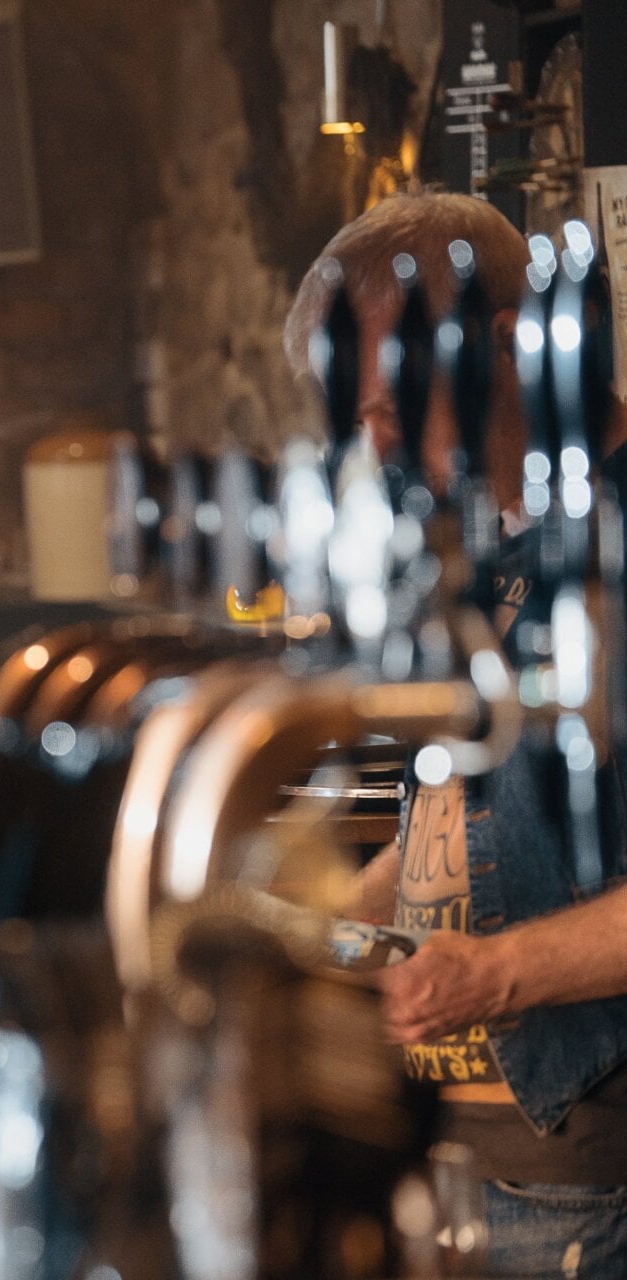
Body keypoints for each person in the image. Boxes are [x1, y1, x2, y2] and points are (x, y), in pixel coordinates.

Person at [286, 193, 627, 1275]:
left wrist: (493, 975)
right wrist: (326, 918)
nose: (369, 450)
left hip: (583, 1184)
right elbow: (476, 816)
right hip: (454, 1156)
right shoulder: (495, 540)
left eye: (387, 409)